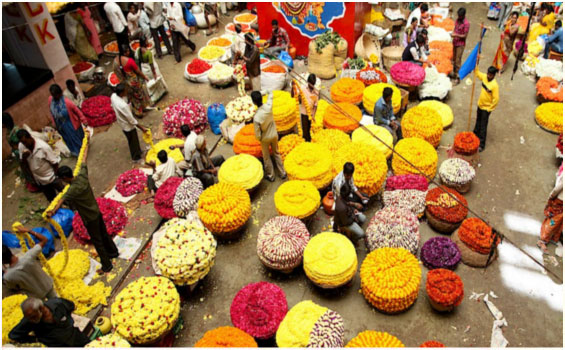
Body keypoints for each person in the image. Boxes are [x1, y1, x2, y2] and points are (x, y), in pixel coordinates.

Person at [48, 133, 120, 273]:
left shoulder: (72, 190)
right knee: (104, 234)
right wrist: (86, 142)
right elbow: (84, 159)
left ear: (64, 178)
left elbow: (61, 200)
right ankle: (114, 252)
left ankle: (107, 265)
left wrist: (52, 211)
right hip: (96, 211)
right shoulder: (81, 175)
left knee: (98, 241)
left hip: (89, 218)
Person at [9, 297, 90, 347]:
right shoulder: (29, 321)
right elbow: (14, 335)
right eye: (28, 318)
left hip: (76, 337)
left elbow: (71, 305)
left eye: (33, 316)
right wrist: (36, 339)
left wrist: (67, 321)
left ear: (41, 309)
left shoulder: (57, 304)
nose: (31, 320)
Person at [2, 225, 56, 299]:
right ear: (10, 251)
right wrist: (29, 231)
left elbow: (15, 287)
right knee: (57, 303)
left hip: (35, 296)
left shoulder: (7, 276)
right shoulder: (29, 256)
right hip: (47, 285)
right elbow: (44, 240)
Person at [17, 130, 64, 202]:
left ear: (30, 137)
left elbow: (54, 163)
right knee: (52, 200)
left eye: (26, 142)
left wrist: (56, 176)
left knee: (65, 196)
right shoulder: (22, 146)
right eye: (23, 143)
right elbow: (23, 163)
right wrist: (24, 157)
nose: (25, 145)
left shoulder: (43, 147)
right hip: (39, 180)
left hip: (51, 177)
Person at [251, 90, 287, 182]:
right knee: (276, 152)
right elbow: (270, 93)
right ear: (261, 98)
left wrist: (260, 139)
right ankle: (282, 172)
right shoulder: (268, 106)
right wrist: (262, 93)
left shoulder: (256, 117)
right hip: (274, 134)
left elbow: (257, 133)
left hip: (265, 138)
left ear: (254, 102)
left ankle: (271, 175)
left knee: (266, 157)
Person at [111, 83, 148, 162]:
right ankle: (136, 157)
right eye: (125, 91)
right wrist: (142, 128)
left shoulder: (113, 96)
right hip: (127, 126)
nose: (127, 92)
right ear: (121, 93)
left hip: (122, 122)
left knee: (134, 139)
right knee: (132, 141)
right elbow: (131, 120)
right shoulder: (123, 106)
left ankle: (139, 151)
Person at [48, 84, 86, 156]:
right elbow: (52, 113)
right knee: (68, 139)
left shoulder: (67, 102)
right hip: (60, 125)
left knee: (76, 139)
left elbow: (77, 110)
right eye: (54, 95)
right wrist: (54, 123)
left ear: (60, 93)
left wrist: (84, 120)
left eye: (56, 95)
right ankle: (75, 152)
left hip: (71, 123)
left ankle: (82, 153)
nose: (55, 97)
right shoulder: (51, 101)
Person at [114, 44, 150, 118]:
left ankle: (136, 111)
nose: (129, 52)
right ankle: (141, 111)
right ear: (125, 52)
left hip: (125, 83)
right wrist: (145, 77)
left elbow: (116, 72)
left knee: (132, 97)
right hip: (133, 82)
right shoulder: (129, 61)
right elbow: (138, 71)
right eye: (128, 51)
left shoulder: (115, 61)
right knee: (139, 95)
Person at [134, 35, 168, 104]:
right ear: (145, 42)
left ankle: (153, 96)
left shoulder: (138, 50)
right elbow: (151, 65)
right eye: (146, 40)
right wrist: (154, 73)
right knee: (156, 79)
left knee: (149, 82)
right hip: (149, 69)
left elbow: (138, 61)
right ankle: (161, 92)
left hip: (144, 68)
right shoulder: (148, 53)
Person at [473, 66, 499, 152]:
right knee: (478, 121)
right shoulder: (484, 77)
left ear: (494, 75)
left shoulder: (494, 86)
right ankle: (475, 134)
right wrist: (476, 64)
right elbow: (477, 73)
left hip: (486, 108)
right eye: (488, 74)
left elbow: (496, 99)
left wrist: (490, 109)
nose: (488, 76)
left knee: (483, 126)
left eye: (490, 75)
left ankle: (481, 144)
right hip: (480, 105)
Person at [538, 164, 563, 253]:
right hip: (560, 201)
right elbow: (559, 187)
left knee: (559, 221)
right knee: (554, 220)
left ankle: (554, 237)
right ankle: (543, 240)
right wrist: (552, 196)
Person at [295, 74, 319, 142]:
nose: (312, 86)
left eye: (313, 84)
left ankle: (309, 142)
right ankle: (306, 143)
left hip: (311, 114)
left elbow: (315, 105)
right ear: (308, 82)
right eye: (310, 84)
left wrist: (313, 115)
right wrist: (293, 88)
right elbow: (294, 96)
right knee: (305, 131)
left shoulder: (316, 92)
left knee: (310, 130)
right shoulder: (302, 89)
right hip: (304, 113)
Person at [451, 7, 470, 83]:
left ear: (463, 15)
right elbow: (455, 28)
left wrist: (456, 35)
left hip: (460, 44)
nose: (459, 17)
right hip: (455, 42)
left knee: (458, 60)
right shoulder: (457, 20)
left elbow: (465, 36)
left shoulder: (466, 24)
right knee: (453, 59)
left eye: (460, 16)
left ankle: (458, 77)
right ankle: (454, 73)